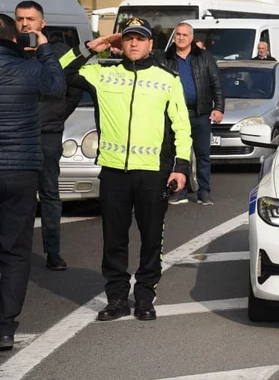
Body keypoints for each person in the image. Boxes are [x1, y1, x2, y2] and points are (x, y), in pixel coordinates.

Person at [60, 17, 191, 322]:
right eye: (128, 38)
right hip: (114, 172)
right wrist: (95, 45)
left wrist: (180, 166)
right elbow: (60, 70)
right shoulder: (102, 74)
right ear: (121, 42)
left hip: (153, 172)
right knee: (114, 239)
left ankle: (145, 296)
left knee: (150, 238)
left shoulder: (167, 78)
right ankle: (117, 298)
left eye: (140, 38)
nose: (133, 43)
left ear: (150, 44)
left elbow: (182, 127)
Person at [0, 13, 66, 350]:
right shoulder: (30, 70)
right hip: (21, 170)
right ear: (15, 40)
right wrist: (43, 50)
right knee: (14, 252)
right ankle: (6, 327)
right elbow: (57, 86)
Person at [15, 0, 84, 271]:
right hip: (17, 135)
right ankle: (15, 254)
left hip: (48, 134)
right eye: (20, 18)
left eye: (30, 19)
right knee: (16, 197)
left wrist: (58, 115)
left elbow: (74, 86)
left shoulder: (59, 52)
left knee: (49, 194)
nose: (25, 23)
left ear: (42, 23)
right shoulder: (10, 52)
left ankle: (53, 252)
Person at [162, 22, 224, 205]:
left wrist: (219, 107)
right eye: (178, 34)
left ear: (191, 37)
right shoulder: (165, 58)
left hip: (199, 113)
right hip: (174, 115)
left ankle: (204, 191)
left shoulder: (204, 57)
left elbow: (217, 84)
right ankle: (180, 191)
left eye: (184, 35)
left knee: (202, 154)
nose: (181, 38)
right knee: (177, 154)